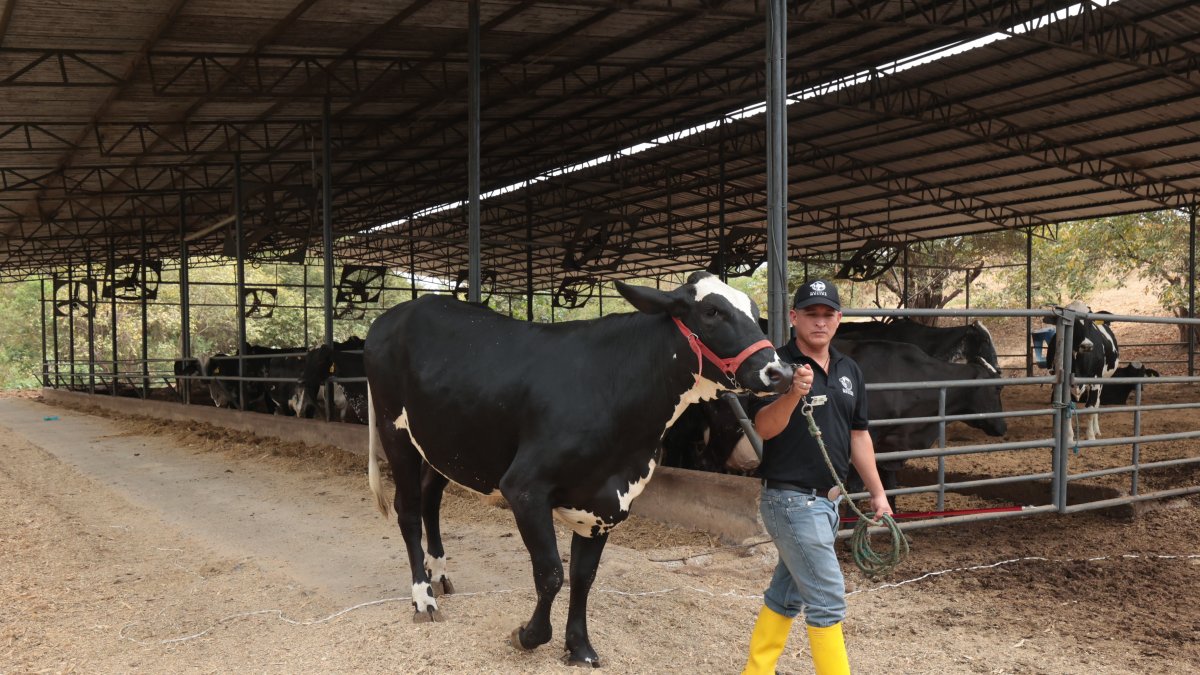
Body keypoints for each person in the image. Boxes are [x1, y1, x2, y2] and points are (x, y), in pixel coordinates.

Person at [741, 279, 893, 675]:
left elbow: (858, 434)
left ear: (839, 319)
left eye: (828, 314)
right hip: (791, 500)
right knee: (828, 599)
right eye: (811, 314)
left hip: (829, 502)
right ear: (794, 317)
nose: (820, 322)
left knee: (785, 595)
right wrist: (793, 393)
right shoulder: (775, 366)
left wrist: (877, 493)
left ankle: (755, 672)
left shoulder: (848, 370)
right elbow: (763, 428)